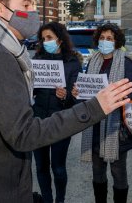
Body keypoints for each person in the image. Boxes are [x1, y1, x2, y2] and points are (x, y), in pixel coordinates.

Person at [0, 0, 132, 203]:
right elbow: (24, 134)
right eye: (26, 4)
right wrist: (95, 107)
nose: (34, 10)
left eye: (33, 3)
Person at [73, 23, 132, 203]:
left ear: (117, 42)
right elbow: (87, 92)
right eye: (102, 38)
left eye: (109, 38)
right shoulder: (93, 61)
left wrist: (114, 95)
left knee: (118, 172)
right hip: (94, 126)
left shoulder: (127, 63)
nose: (104, 41)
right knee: (97, 171)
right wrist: (78, 93)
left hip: (116, 128)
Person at [32, 22, 82, 203]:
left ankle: (60, 200)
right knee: (41, 166)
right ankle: (47, 199)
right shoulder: (36, 60)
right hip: (38, 120)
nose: (46, 42)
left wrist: (65, 96)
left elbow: (76, 97)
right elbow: (31, 91)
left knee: (58, 167)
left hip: (61, 121)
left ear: (60, 40)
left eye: (49, 38)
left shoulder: (72, 63)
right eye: (43, 39)